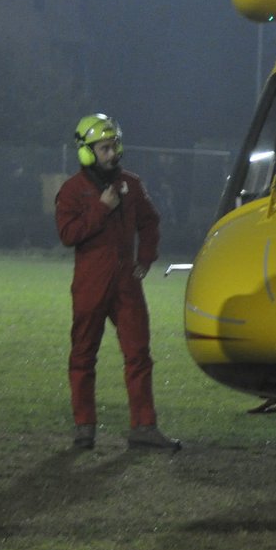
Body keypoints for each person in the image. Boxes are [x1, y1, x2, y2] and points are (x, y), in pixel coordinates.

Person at [55, 113, 181, 451]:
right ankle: (84, 428)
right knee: (83, 355)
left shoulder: (132, 184)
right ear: (86, 151)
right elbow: (68, 235)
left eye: (114, 146)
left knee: (139, 355)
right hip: (91, 283)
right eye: (105, 148)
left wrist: (145, 259)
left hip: (126, 283)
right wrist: (100, 208)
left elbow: (151, 222)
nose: (113, 154)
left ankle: (143, 427)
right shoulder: (71, 191)